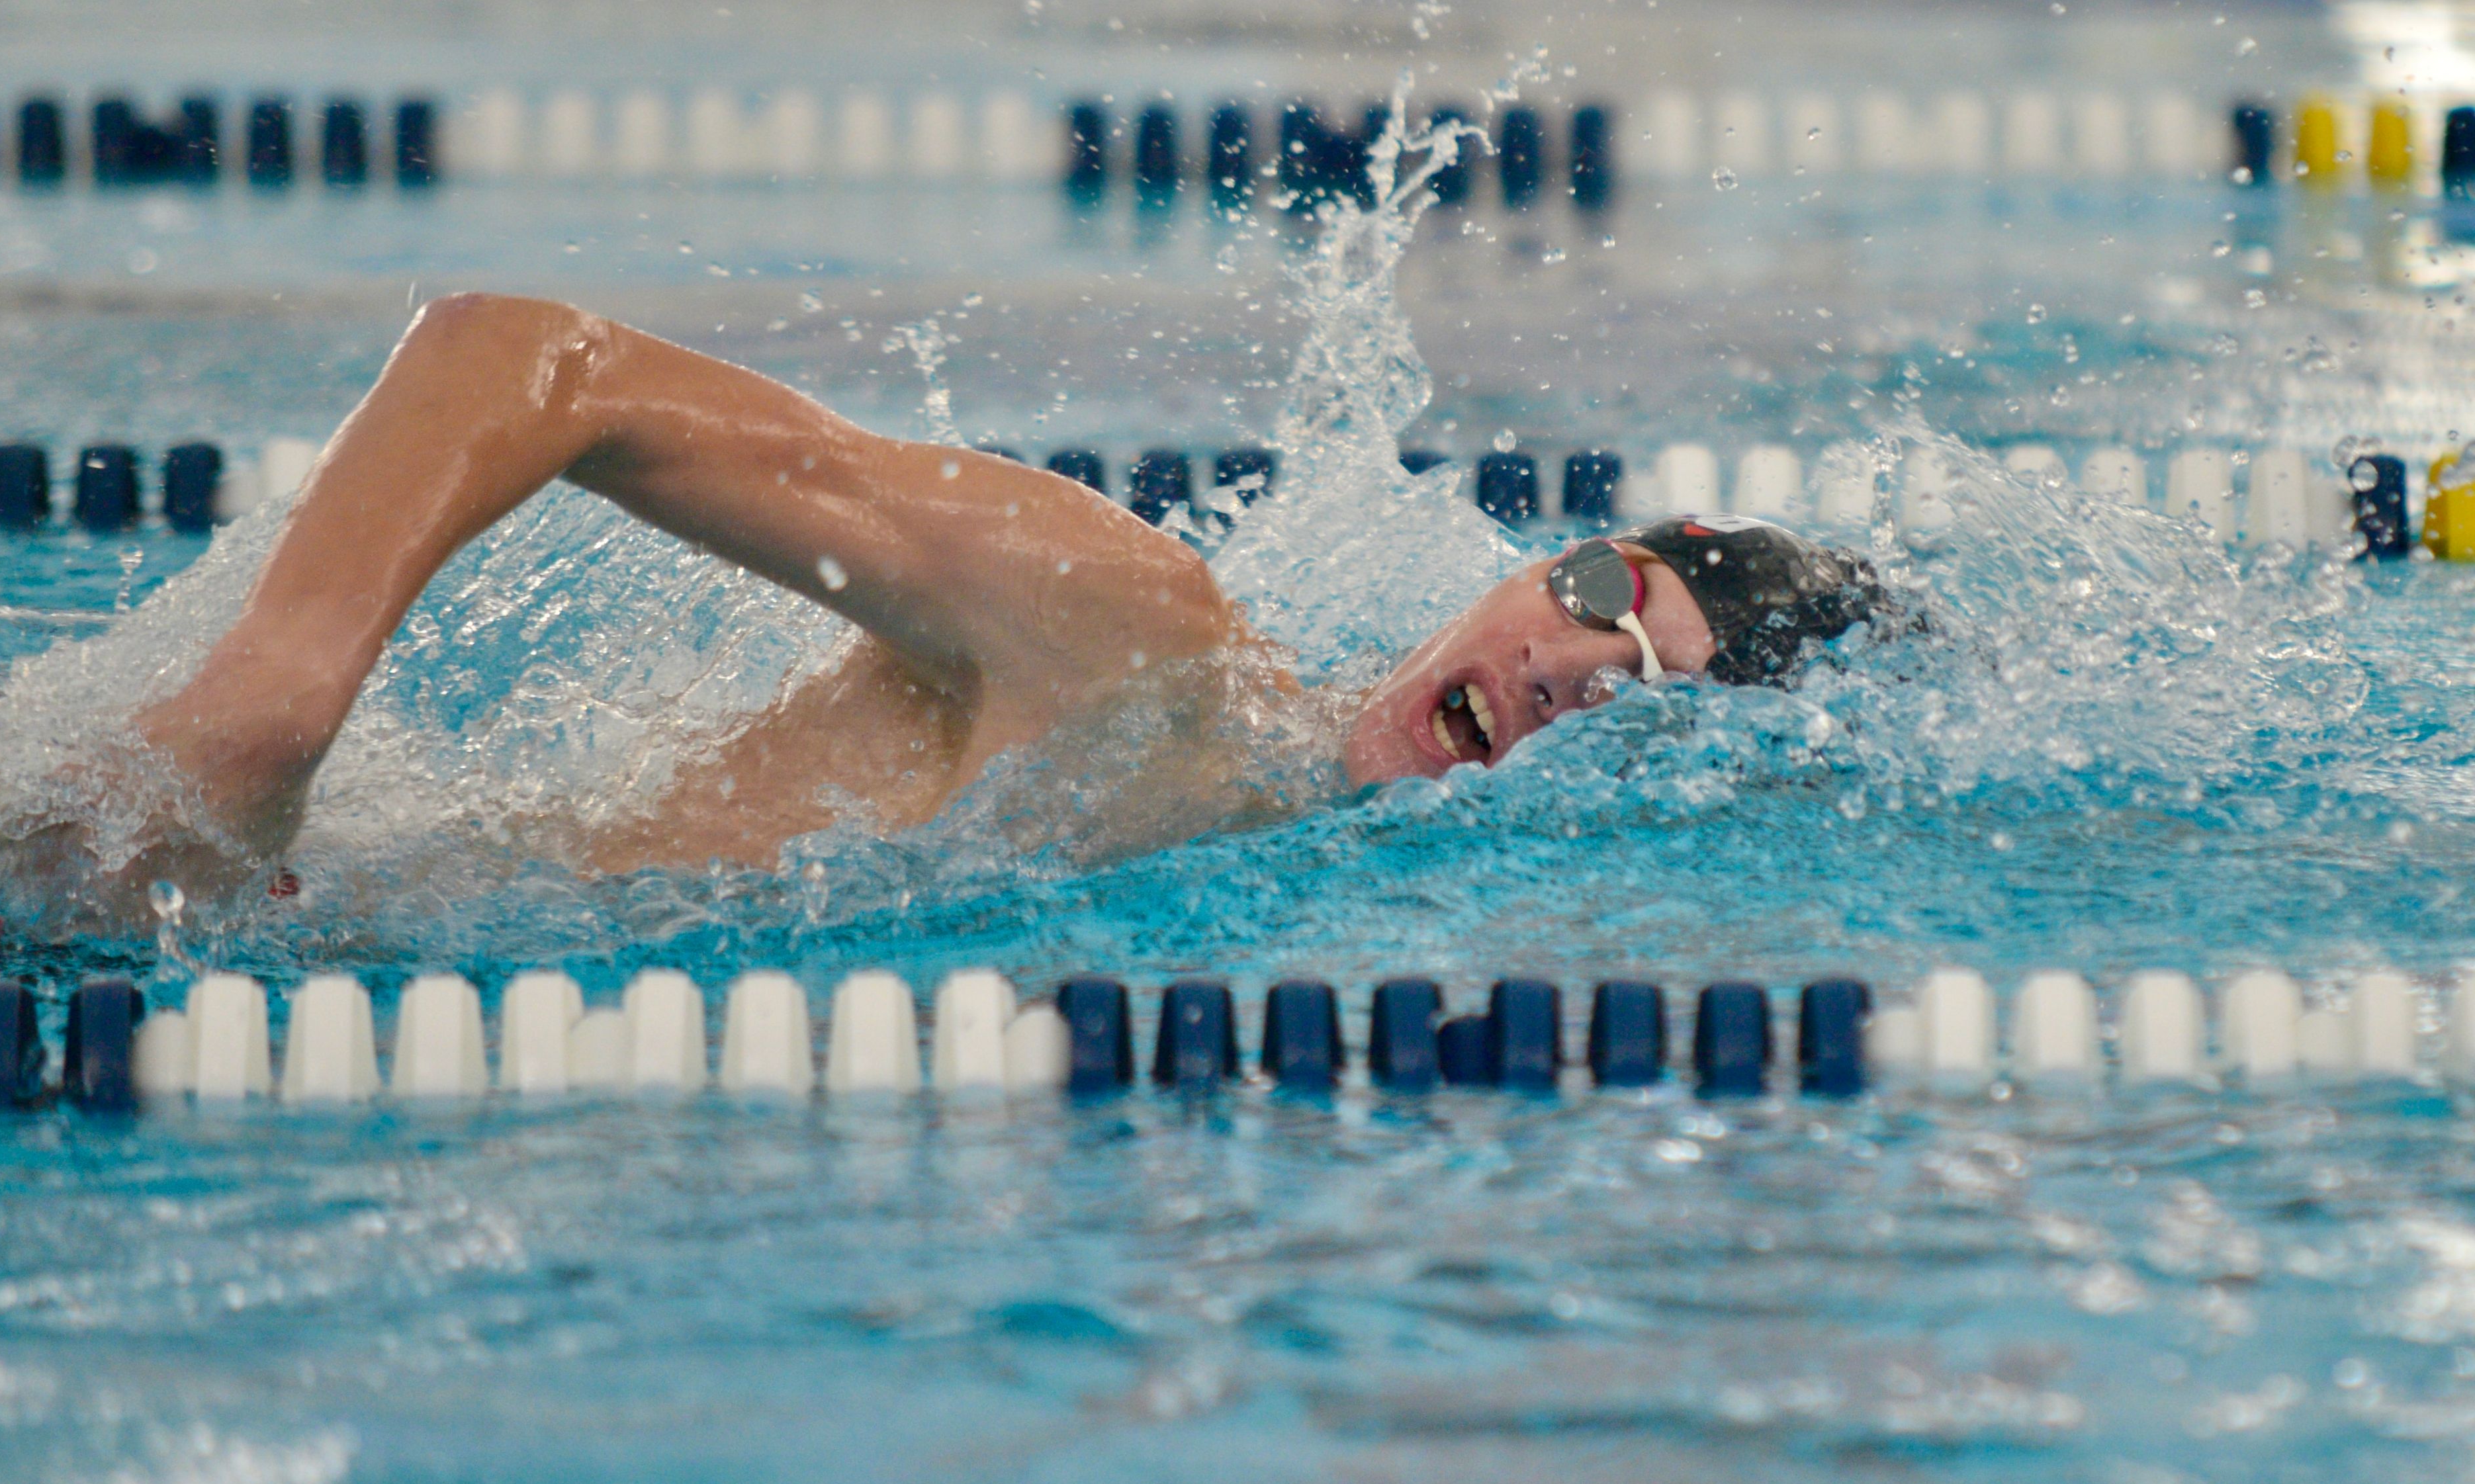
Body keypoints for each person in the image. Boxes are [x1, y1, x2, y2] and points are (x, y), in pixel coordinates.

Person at [99, 293, 1891, 910]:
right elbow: (525, 359)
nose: (1573, 669)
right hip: (144, 858)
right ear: (1527, 560)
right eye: (1600, 593)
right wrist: (262, 714)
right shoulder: (1134, 637)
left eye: (1639, 692)